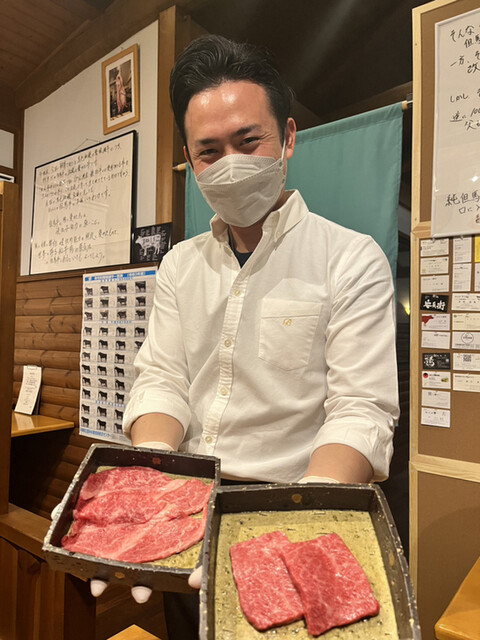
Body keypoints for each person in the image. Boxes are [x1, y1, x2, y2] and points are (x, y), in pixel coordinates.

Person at [100, 34, 398, 637]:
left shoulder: (350, 257)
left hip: (299, 503)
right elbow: (162, 379)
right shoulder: (179, 265)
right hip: (189, 505)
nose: (230, 163)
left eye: (248, 140)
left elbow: (360, 408)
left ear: (287, 138)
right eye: (209, 151)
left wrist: (305, 515)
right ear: (190, 160)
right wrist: (152, 484)